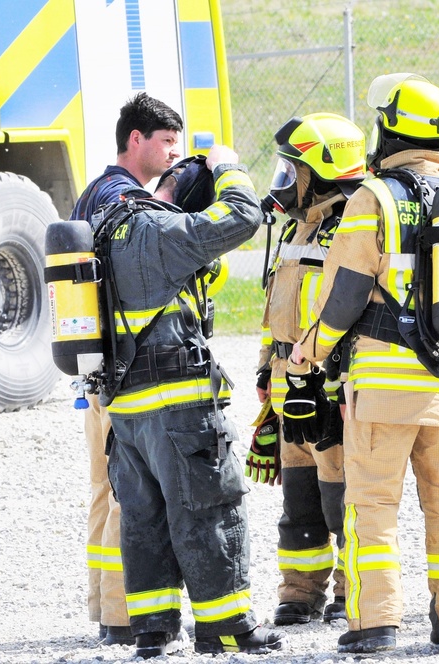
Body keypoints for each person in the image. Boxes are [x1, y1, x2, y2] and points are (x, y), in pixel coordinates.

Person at [288, 73, 439, 655]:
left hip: (382, 391)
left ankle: (375, 623)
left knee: (373, 510)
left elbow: (345, 293)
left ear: (390, 130)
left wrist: (310, 350)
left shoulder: (373, 198)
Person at [101, 146, 287, 657]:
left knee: (145, 516)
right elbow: (244, 216)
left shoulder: (109, 224)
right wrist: (227, 165)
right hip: (176, 407)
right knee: (209, 506)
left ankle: (153, 630)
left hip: (126, 412)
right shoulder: (164, 231)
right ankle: (227, 627)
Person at [69, 92, 183, 646]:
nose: (172, 153)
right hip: (123, 372)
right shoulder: (125, 203)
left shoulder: (93, 195)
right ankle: (122, 615)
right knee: (127, 493)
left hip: (93, 373)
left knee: (102, 489)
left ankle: (104, 604)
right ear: (134, 140)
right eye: (165, 142)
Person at [250, 112, 368, 626]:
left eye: (291, 169)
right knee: (298, 504)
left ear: (320, 171)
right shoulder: (302, 225)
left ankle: (348, 592)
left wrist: (334, 378)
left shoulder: (352, 224)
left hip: (326, 384)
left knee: (341, 497)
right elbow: (275, 307)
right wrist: (264, 371)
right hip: (285, 383)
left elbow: (354, 309)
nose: (282, 180)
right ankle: (299, 594)